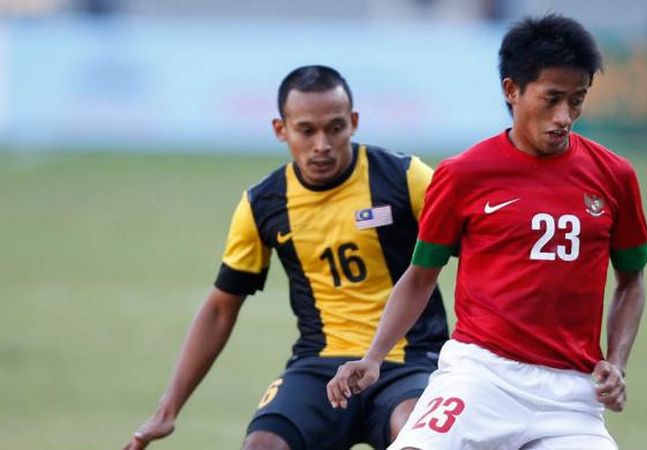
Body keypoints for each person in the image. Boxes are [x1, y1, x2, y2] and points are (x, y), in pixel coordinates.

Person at [327, 14, 647, 449]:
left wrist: (617, 361)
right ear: (511, 90)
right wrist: (374, 357)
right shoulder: (464, 174)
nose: (564, 117)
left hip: (571, 398)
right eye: (551, 98)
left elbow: (631, 281)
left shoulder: (615, 175)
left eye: (577, 100)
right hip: (480, 378)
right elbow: (421, 276)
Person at [124, 65, 449, 450]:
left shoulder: (405, 177)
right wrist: (169, 407)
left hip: (409, 361)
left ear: (354, 122)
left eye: (335, 127)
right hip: (319, 365)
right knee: (262, 445)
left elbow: (478, 251)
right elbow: (220, 309)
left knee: (417, 436)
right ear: (281, 130)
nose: (322, 144)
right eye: (306, 130)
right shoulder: (263, 203)